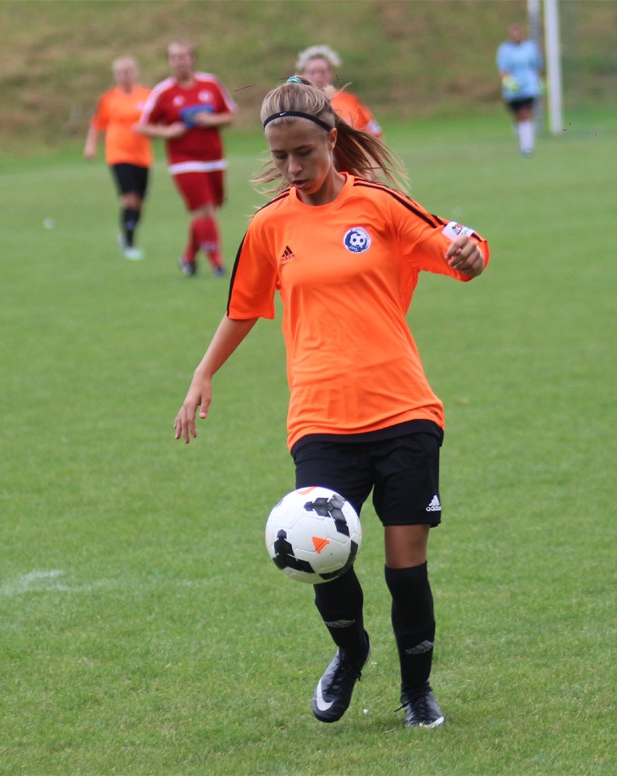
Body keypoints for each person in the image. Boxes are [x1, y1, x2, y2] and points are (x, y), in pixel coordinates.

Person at [173, 76, 489, 728]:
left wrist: (471, 255)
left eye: (304, 154)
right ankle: (350, 651)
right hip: (320, 419)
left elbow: (463, 246)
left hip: (403, 411)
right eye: (281, 156)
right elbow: (242, 308)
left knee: (406, 566)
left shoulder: (381, 205)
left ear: (332, 141)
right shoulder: (269, 226)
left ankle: (417, 691)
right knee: (321, 557)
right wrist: (203, 373)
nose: (292, 168)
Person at [136, 41, 236, 277]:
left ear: (193, 59)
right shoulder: (163, 91)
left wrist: (212, 120)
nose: (179, 62)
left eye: (183, 56)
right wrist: (168, 132)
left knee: (209, 210)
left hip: (214, 158)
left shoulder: (211, 83)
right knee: (204, 209)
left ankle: (188, 258)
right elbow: (142, 127)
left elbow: (230, 115)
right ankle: (217, 263)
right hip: (184, 161)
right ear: (169, 62)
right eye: (174, 57)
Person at [84, 56, 153, 261]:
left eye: (128, 71)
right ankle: (129, 244)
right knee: (129, 199)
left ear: (135, 73)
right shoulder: (109, 99)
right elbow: (97, 123)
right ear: (115, 75)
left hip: (142, 156)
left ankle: (126, 234)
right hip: (118, 154)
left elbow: (157, 119)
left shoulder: (147, 95)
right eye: (120, 72)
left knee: (139, 202)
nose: (125, 76)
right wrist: (90, 145)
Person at [295, 44, 383, 139]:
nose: (317, 77)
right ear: (303, 75)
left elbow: (375, 135)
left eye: (322, 72)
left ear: (331, 74)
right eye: (312, 72)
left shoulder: (350, 102)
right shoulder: (296, 104)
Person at [496, 23, 544, 156]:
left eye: (517, 33)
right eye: (513, 34)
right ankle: (522, 136)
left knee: (526, 113)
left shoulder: (530, 47)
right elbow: (503, 69)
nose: (515, 36)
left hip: (529, 87)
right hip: (513, 89)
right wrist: (508, 82)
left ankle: (527, 146)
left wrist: (539, 81)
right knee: (517, 116)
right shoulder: (504, 49)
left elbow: (537, 66)